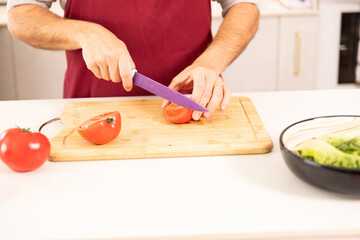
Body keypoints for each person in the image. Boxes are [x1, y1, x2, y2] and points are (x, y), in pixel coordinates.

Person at [7, 0, 259, 120]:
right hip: (93, 115)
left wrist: (210, 63)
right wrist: (85, 32)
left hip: (193, 108)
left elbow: (245, 8)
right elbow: (21, 15)